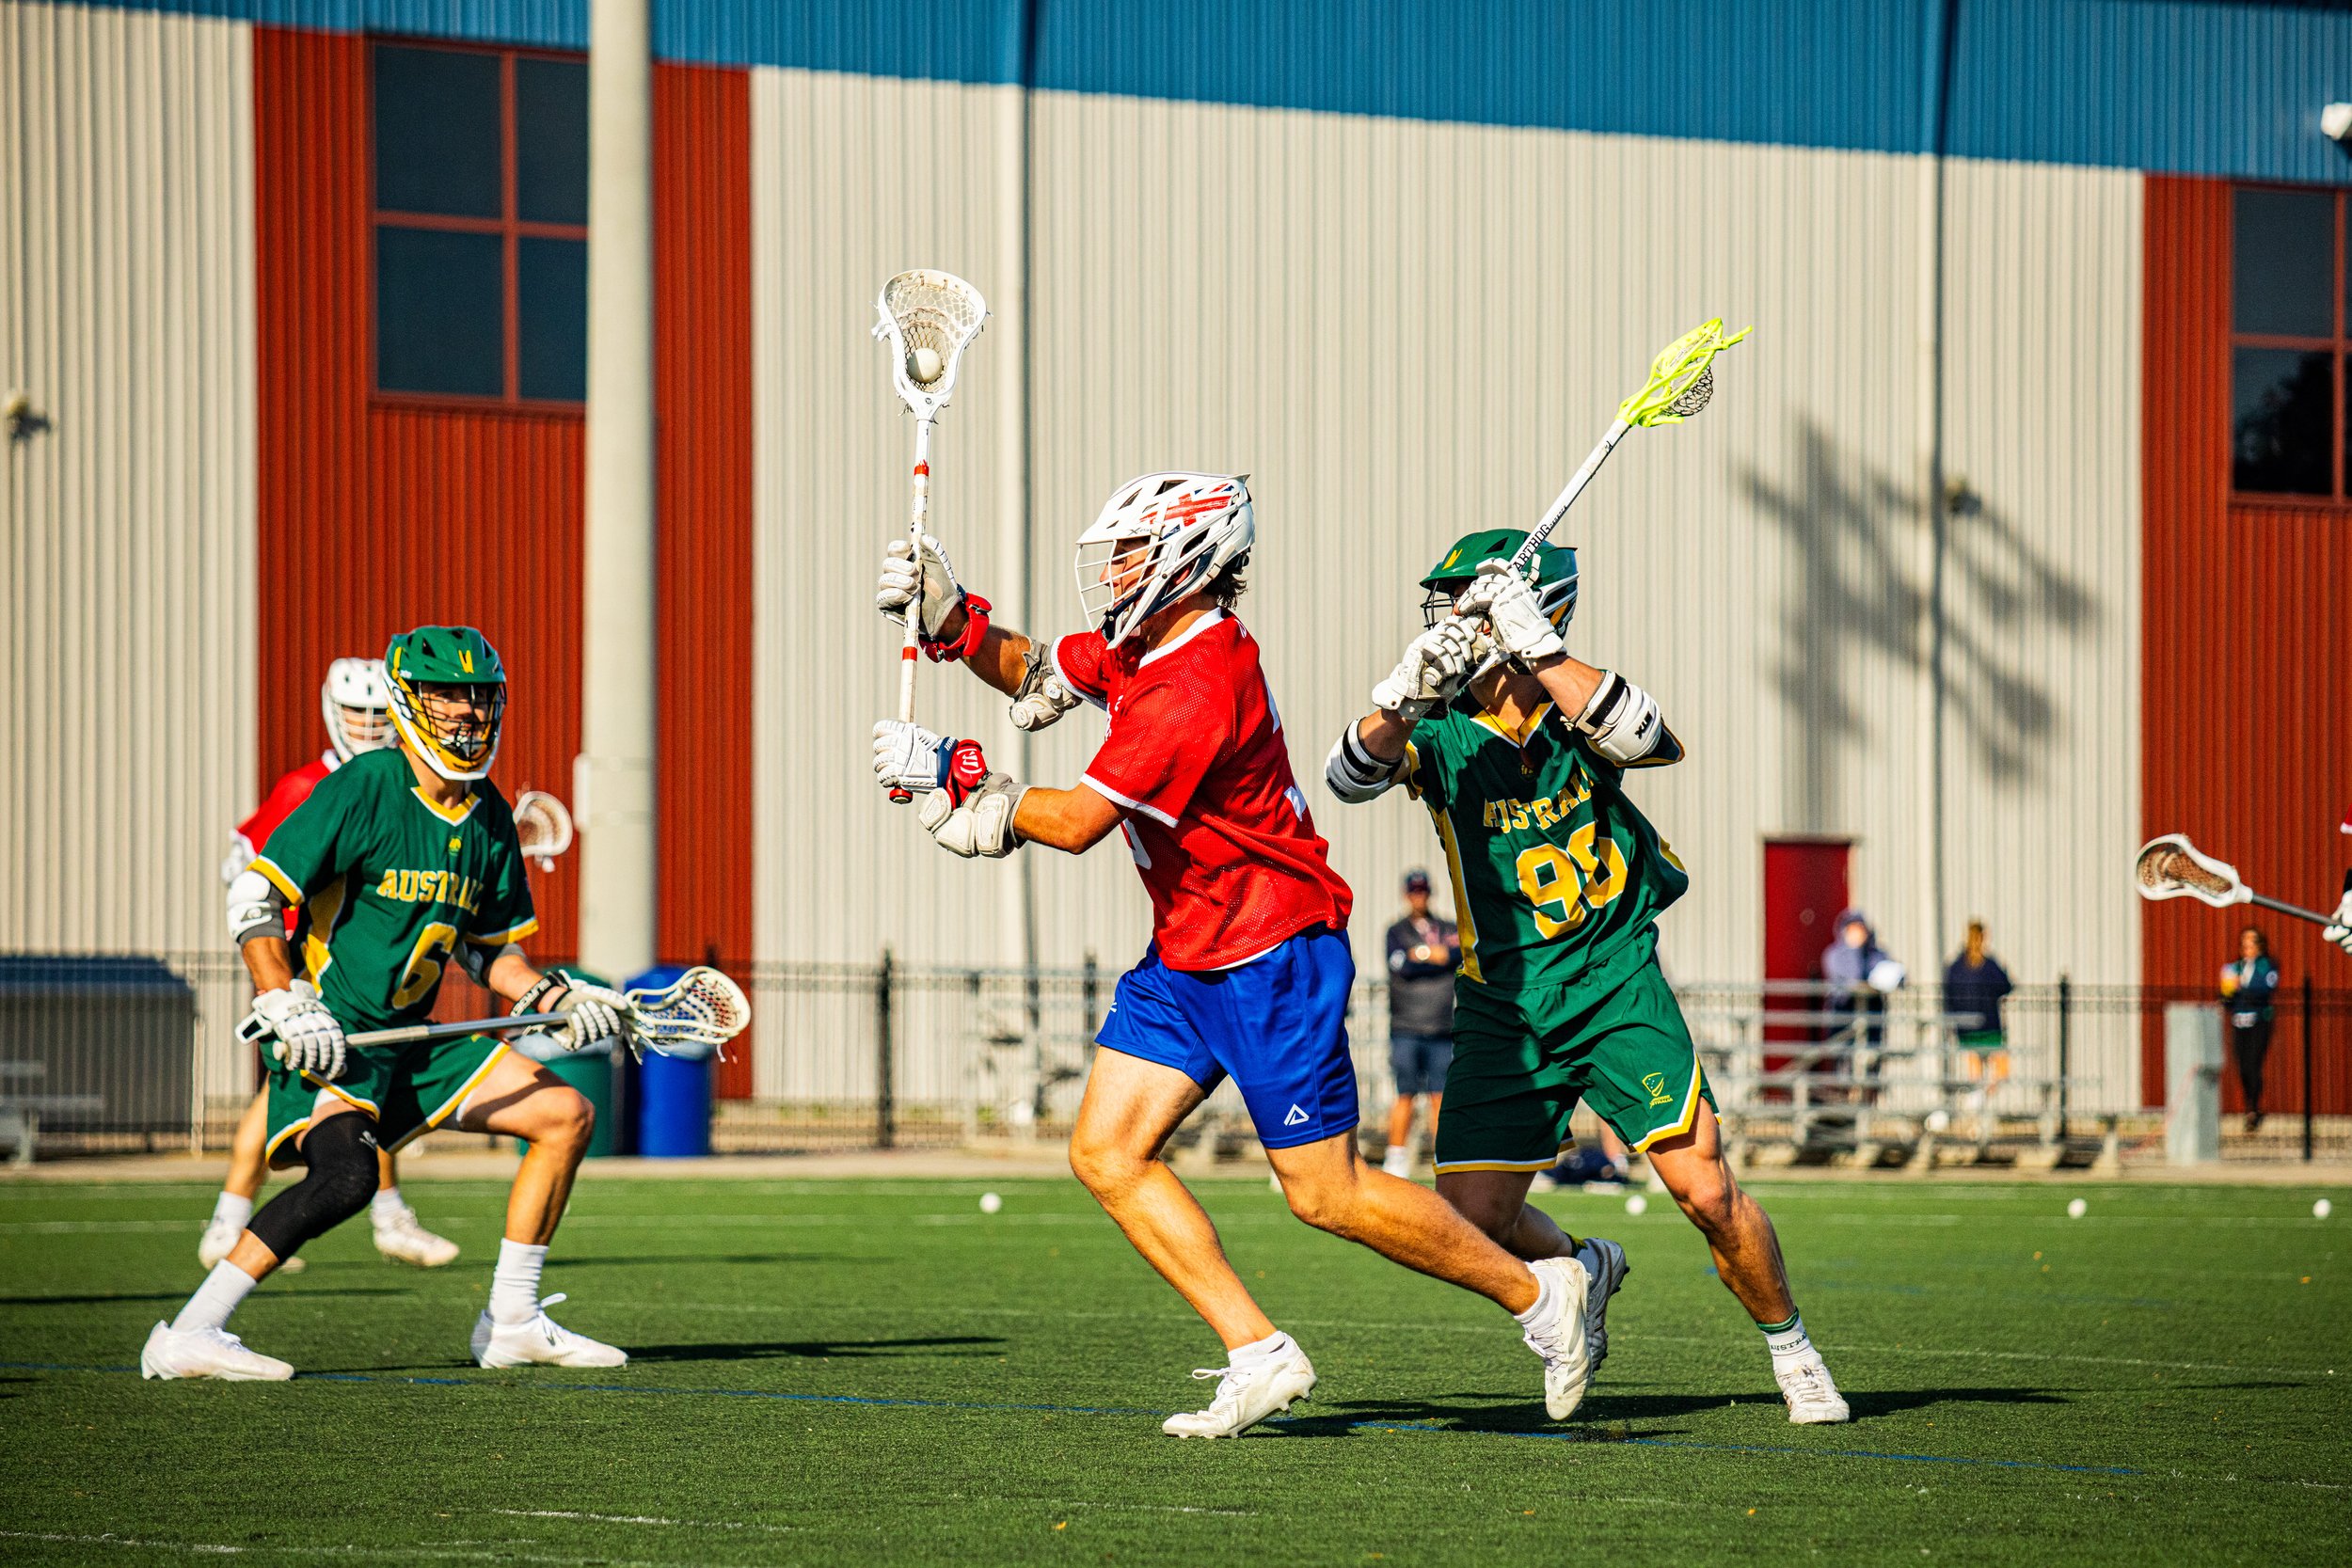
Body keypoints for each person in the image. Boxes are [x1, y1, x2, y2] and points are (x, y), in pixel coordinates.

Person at [870, 473, 1597, 1438]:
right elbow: (1042, 674)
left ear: (1189, 558)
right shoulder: (1147, 644)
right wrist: (955, 621)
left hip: (1269, 951)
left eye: (1131, 551)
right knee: (1106, 1151)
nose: (1114, 569)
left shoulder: (1196, 679)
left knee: (1324, 1191)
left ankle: (1541, 1295)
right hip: (1188, 948)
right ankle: (1259, 1350)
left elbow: (1081, 819)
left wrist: (958, 773)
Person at [1322, 527, 1851, 1424]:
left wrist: (1546, 650)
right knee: (1471, 1218)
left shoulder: (1578, 702)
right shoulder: (1440, 724)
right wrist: (1398, 697)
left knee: (1707, 1192)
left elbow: (1655, 740)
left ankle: (1791, 1346)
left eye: (1464, 604)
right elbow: (1349, 775)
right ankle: (1582, 1262)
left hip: (1613, 978)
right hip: (1506, 999)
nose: (1450, 619)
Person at [142, 626, 632, 1381]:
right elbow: (257, 894)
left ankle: (511, 1321)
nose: (467, 715)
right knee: (346, 1181)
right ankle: (190, 1331)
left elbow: (488, 949)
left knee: (565, 1115)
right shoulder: (368, 784)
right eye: (447, 697)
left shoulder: (490, 816)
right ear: (409, 702)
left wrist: (554, 995)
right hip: (334, 1037)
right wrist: (282, 996)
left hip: (414, 1038)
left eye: (479, 698)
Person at [200, 657, 459, 1275]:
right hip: (301, 969)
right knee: (343, 1091)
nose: (368, 727)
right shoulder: (307, 785)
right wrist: (281, 968)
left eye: (378, 714)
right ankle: (243, 1224)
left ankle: (233, 1223)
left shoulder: (399, 786)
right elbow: (248, 869)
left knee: (353, 1091)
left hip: (350, 964)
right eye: (356, 713)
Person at [1383, 869, 1459, 1177]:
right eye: (1414, 892)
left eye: (1423, 891)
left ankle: (1444, 1156)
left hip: (1442, 1026)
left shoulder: (1447, 926)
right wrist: (1432, 956)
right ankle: (1396, 1155)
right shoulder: (1396, 930)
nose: (1419, 897)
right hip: (1406, 1026)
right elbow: (1402, 965)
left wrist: (1422, 955)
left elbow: (1458, 954)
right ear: (1406, 894)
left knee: (1440, 1097)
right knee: (1405, 1094)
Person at [2219, 926, 2280, 1133]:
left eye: (2251, 942)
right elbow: (2227, 999)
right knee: (2243, 1066)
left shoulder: (2266, 967)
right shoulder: (2234, 968)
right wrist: (2227, 991)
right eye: (2244, 942)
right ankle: (2249, 1104)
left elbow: (2265, 990)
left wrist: (2242, 986)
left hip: (2259, 1021)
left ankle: (2253, 1108)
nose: (2247, 946)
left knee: (2254, 1063)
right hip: (2240, 1021)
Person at [1943, 919, 2014, 1089]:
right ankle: (1982, 1102)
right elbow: (2006, 986)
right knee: (2000, 1071)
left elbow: (1949, 997)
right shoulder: (1989, 966)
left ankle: (1978, 1104)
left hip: (1967, 1028)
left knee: (1976, 1074)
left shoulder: (1956, 967)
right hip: (1989, 1026)